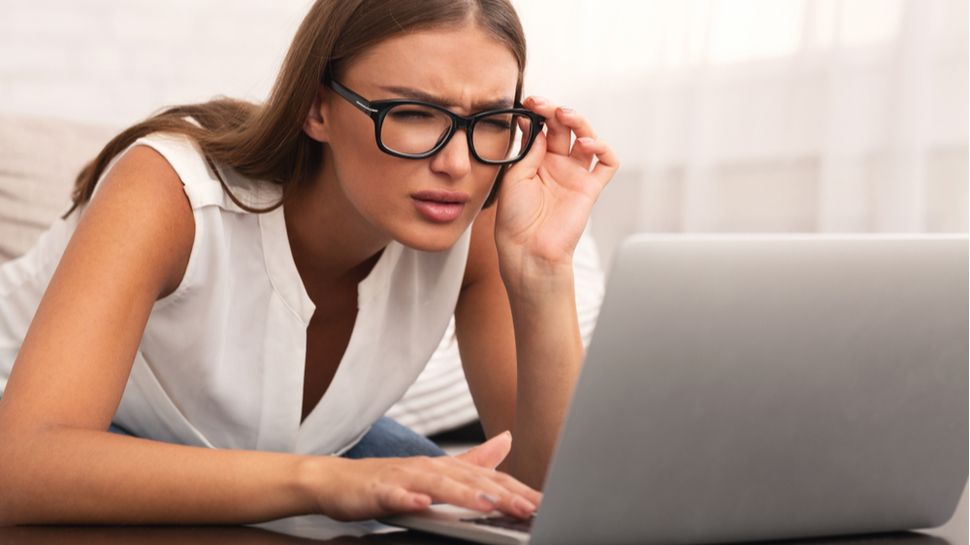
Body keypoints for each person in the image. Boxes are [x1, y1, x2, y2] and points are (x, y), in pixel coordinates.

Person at [0, 0, 618, 527]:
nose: (458, 164)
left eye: (488, 121)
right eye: (411, 113)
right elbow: (23, 464)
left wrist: (543, 267)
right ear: (316, 108)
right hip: (68, 436)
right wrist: (322, 482)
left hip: (301, 451)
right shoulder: (170, 189)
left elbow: (551, 495)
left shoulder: (474, 219)